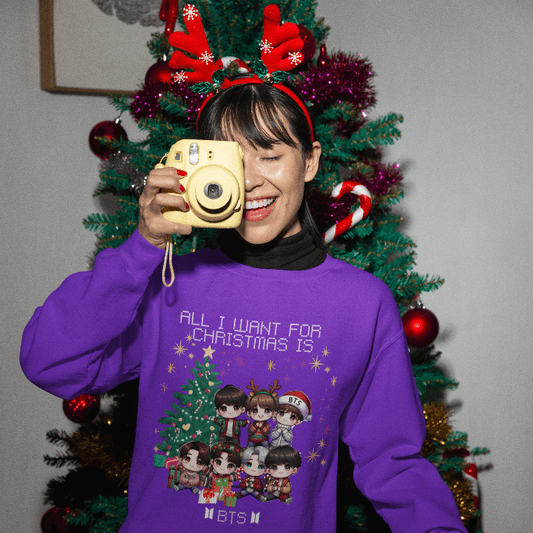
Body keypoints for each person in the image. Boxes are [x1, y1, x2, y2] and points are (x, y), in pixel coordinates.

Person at [20, 77, 469, 532]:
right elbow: (49, 362)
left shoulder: (362, 303)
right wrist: (141, 248)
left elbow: (393, 460)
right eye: (232, 161)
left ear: (310, 161)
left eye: (271, 156)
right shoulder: (167, 282)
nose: (251, 181)